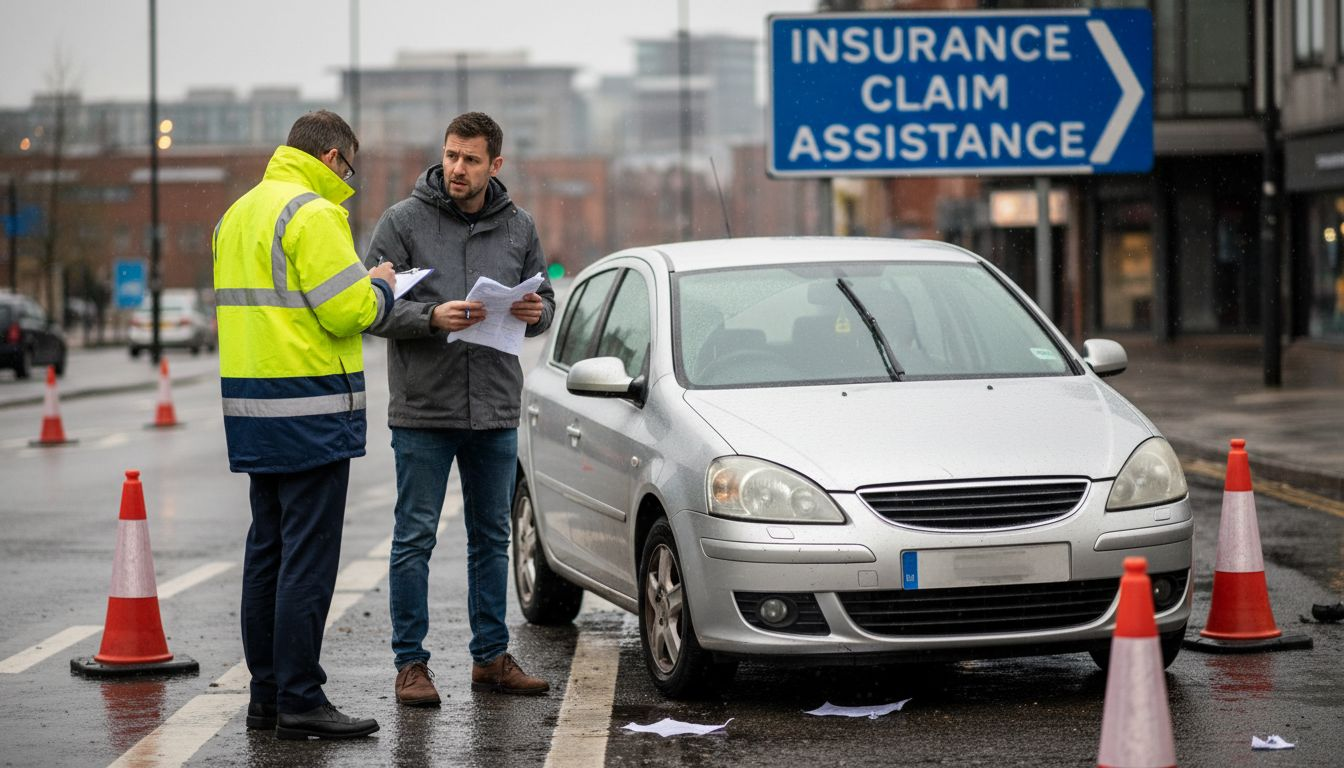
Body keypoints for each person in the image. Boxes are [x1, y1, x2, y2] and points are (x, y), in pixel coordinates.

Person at [212, 109, 395, 740]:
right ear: (331, 158)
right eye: (348, 167)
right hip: (310, 409)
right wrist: (382, 287)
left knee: (267, 553)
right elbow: (347, 312)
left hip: (254, 410)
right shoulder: (313, 213)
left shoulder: (239, 214)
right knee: (307, 563)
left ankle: (266, 697)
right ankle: (300, 698)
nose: (347, 179)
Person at [364, 111, 555, 706]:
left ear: (495, 165)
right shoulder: (401, 222)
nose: (457, 169)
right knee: (414, 538)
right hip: (424, 408)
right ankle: (410, 665)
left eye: (471, 159)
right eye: (451, 155)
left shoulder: (518, 226)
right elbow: (368, 307)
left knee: (491, 538)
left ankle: (490, 658)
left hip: (494, 408)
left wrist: (536, 313)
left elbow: (543, 296)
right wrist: (431, 316)